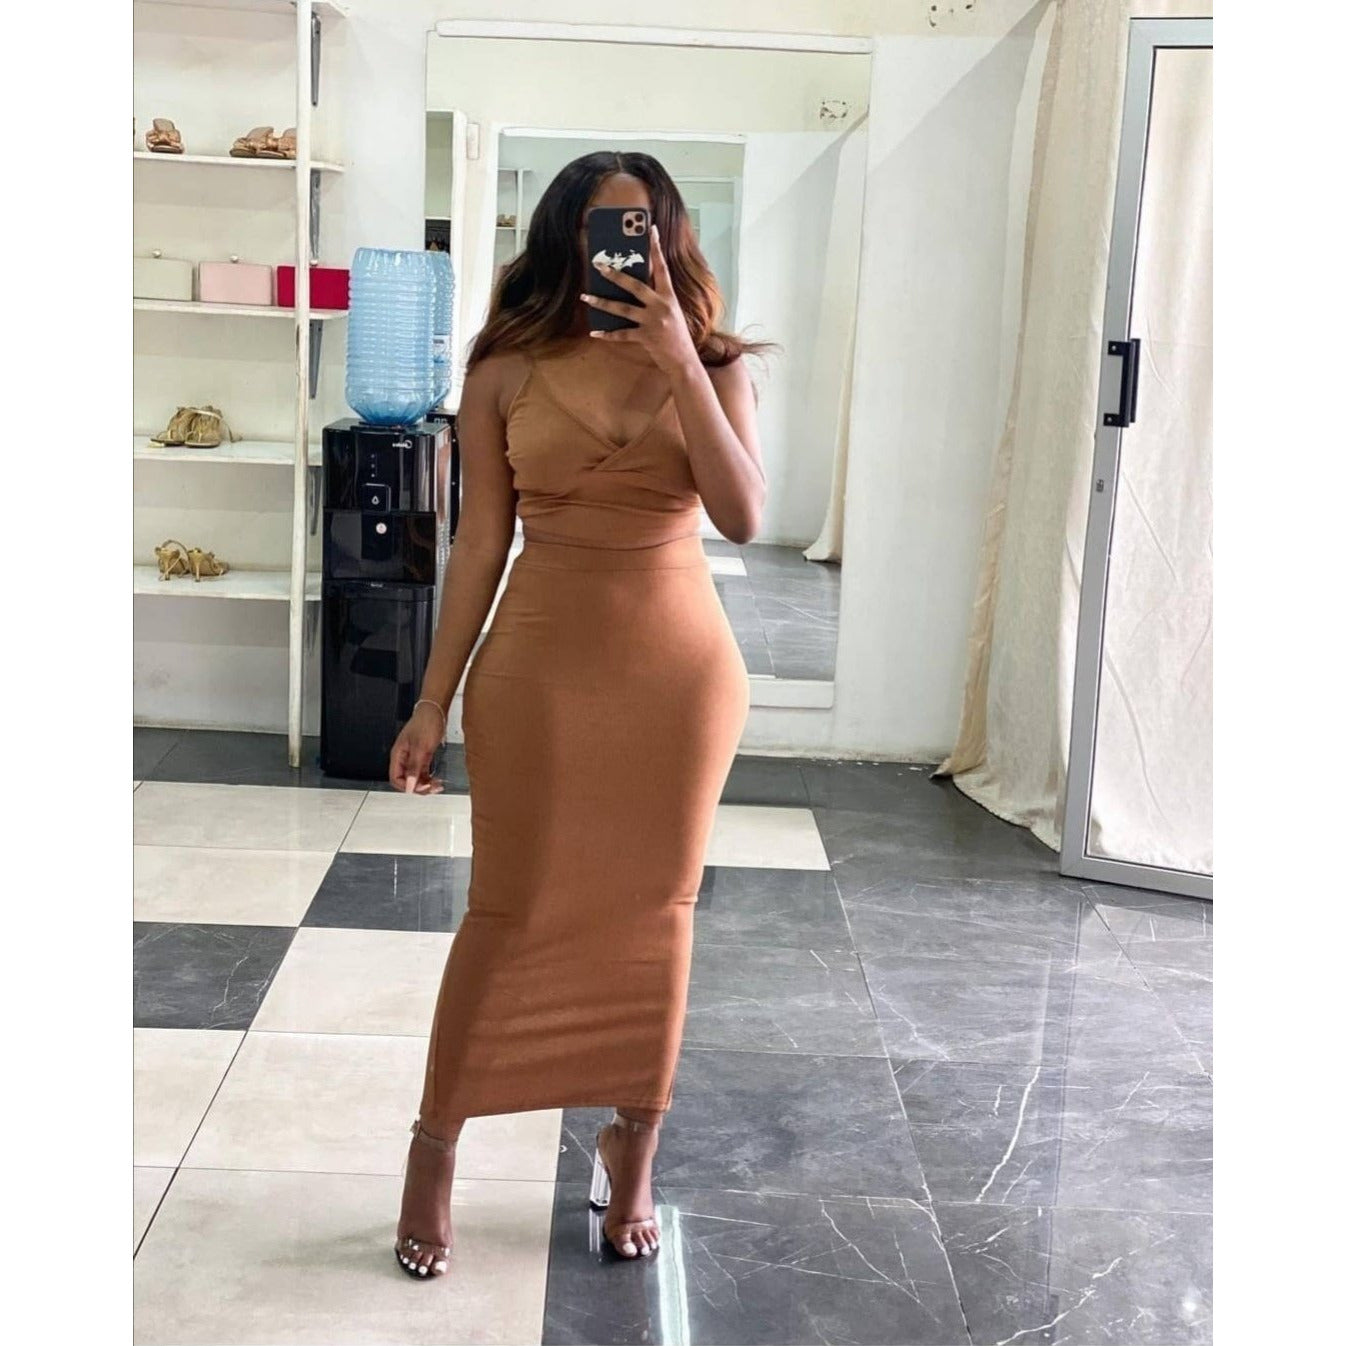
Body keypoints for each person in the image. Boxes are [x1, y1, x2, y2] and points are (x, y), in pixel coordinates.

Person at [388, 151, 769, 1278]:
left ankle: (632, 1147)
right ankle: (435, 1144)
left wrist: (680, 362)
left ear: (670, 238)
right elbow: (477, 545)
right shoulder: (504, 367)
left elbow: (744, 515)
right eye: (604, 229)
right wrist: (429, 700)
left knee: (657, 913)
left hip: (678, 683)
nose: (624, 250)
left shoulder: (713, 363)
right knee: (508, 910)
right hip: (539, 673)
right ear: (565, 238)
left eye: (642, 228)